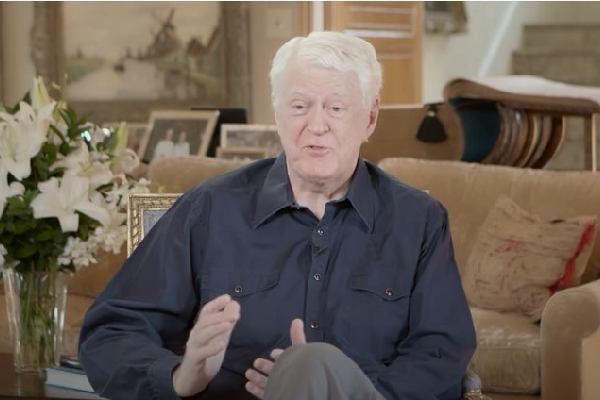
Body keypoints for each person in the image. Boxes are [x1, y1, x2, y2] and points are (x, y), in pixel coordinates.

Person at [79, 31, 476, 399]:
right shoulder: (209, 209)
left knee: (311, 365)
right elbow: (109, 334)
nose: (316, 125)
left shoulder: (418, 221)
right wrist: (182, 376)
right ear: (277, 113)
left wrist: (328, 387)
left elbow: (440, 355)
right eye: (299, 106)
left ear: (370, 118)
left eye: (336, 108)